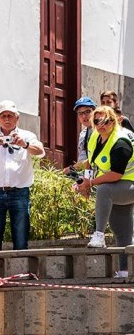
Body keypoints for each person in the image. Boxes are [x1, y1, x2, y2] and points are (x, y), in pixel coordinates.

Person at [0, 101, 46, 251]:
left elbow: (40, 151)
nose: (7, 119)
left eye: (10, 116)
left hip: (20, 192)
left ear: (17, 118)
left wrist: (24, 144)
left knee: (21, 240)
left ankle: (22, 272)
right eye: (3, 116)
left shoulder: (26, 135)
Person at [72, 105, 134, 277]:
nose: (102, 124)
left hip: (125, 182)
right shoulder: (94, 137)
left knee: (104, 190)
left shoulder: (120, 143)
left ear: (114, 122)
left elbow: (115, 174)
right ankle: (124, 272)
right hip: (121, 184)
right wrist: (84, 181)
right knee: (121, 232)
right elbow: (91, 163)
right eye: (97, 121)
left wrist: (90, 183)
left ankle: (99, 235)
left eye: (106, 121)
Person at [64, 97, 97, 178]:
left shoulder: (101, 131)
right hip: (88, 175)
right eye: (80, 113)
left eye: (87, 111)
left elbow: (95, 159)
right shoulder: (83, 134)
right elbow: (82, 158)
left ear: (95, 112)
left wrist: (72, 168)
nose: (84, 116)